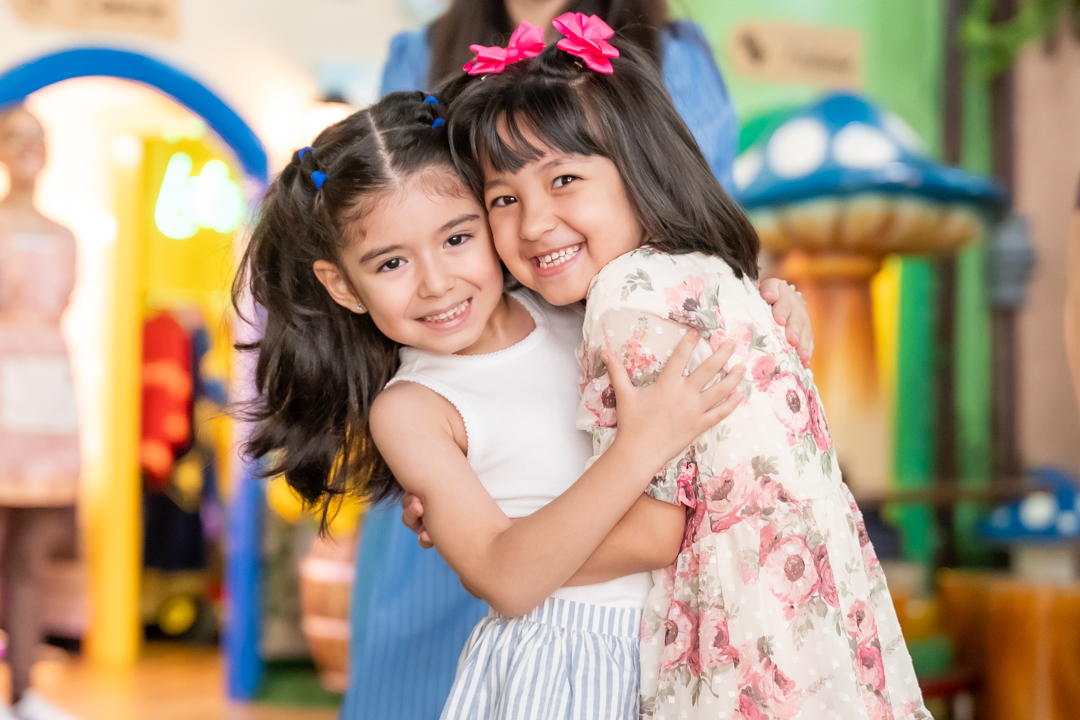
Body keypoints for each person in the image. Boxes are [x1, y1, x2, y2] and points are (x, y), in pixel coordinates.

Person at [236, 90, 810, 719]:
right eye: (392, 262)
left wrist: (762, 312)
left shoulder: (578, 307)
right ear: (343, 285)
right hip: (565, 668)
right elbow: (513, 581)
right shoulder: (414, 407)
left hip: (675, 644)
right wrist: (638, 451)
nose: (436, 282)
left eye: (458, 238)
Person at [436, 17, 930, 718]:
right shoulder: (711, 276)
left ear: (639, 168)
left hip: (744, 643)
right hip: (820, 630)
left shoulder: (624, 299)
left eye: (565, 179)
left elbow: (656, 529)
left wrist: (497, 550)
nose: (535, 222)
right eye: (503, 199)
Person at [0, 104, 81, 720]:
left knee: (32, 554)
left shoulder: (66, 237)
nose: (30, 146)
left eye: (38, 136)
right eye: (16, 136)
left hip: (50, 396)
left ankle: (24, 693)